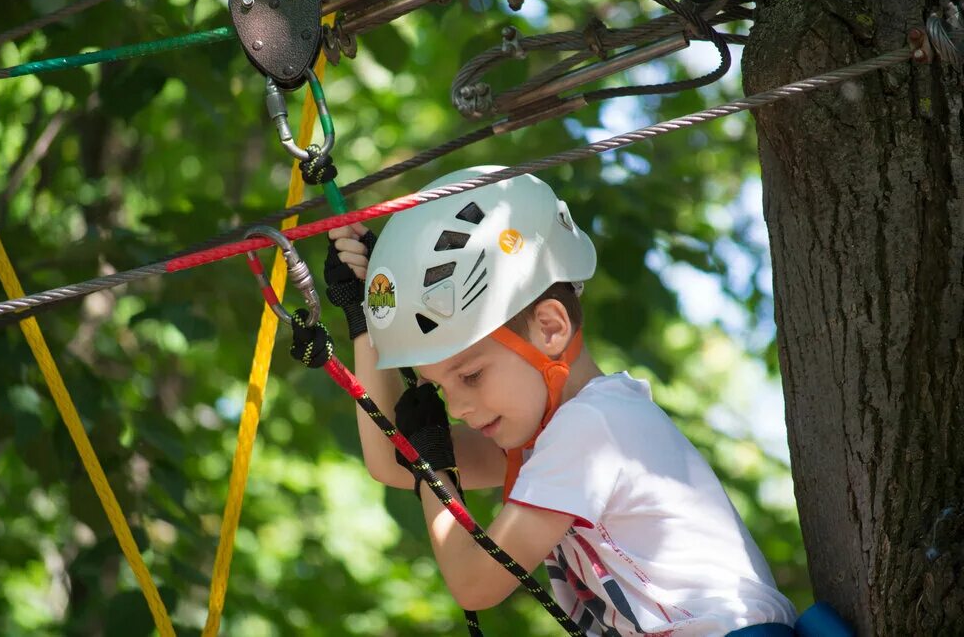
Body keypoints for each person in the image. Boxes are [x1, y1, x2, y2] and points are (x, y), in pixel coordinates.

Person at [323, 165, 798, 636]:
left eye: (470, 374)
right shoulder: (545, 437)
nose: (457, 407)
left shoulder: (591, 429)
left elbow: (475, 583)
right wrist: (364, 319)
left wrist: (435, 464)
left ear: (550, 328)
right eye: (442, 387)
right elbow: (394, 461)